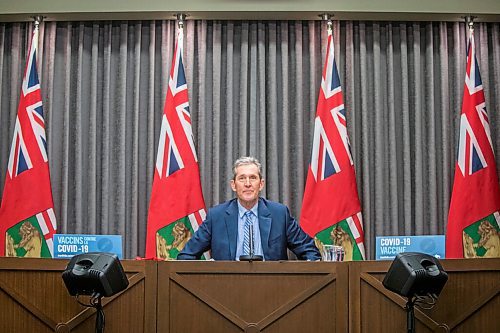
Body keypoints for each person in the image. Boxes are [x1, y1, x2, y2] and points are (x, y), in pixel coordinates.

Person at [178, 156, 321, 261]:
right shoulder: (216, 216)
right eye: (242, 178)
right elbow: (186, 255)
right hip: (226, 289)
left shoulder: (279, 214)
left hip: (273, 289)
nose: (247, 184)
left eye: (253, 178)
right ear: (233, 185)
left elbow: (310, 251)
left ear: (261, 184)